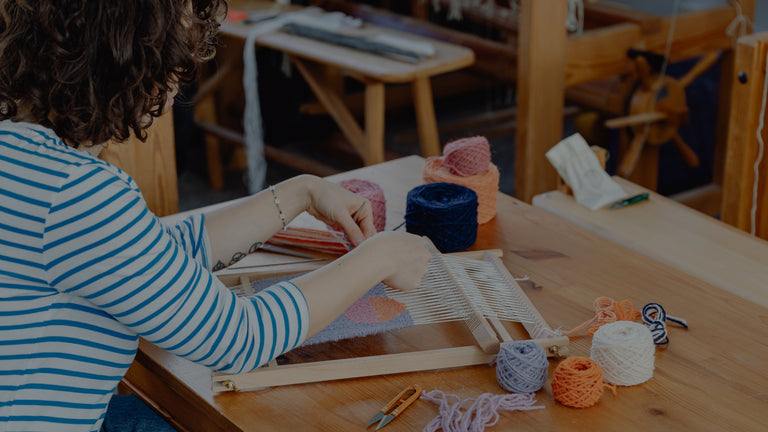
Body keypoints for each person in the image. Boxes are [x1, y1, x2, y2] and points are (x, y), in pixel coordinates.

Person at [0, 1, 433, 431]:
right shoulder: (77, 194)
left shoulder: (23, 155)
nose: (180, 77)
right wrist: (380, 257)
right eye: (174, 57)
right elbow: (239, 338)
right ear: (127, 62)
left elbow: (153, 254)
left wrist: (302, 191)